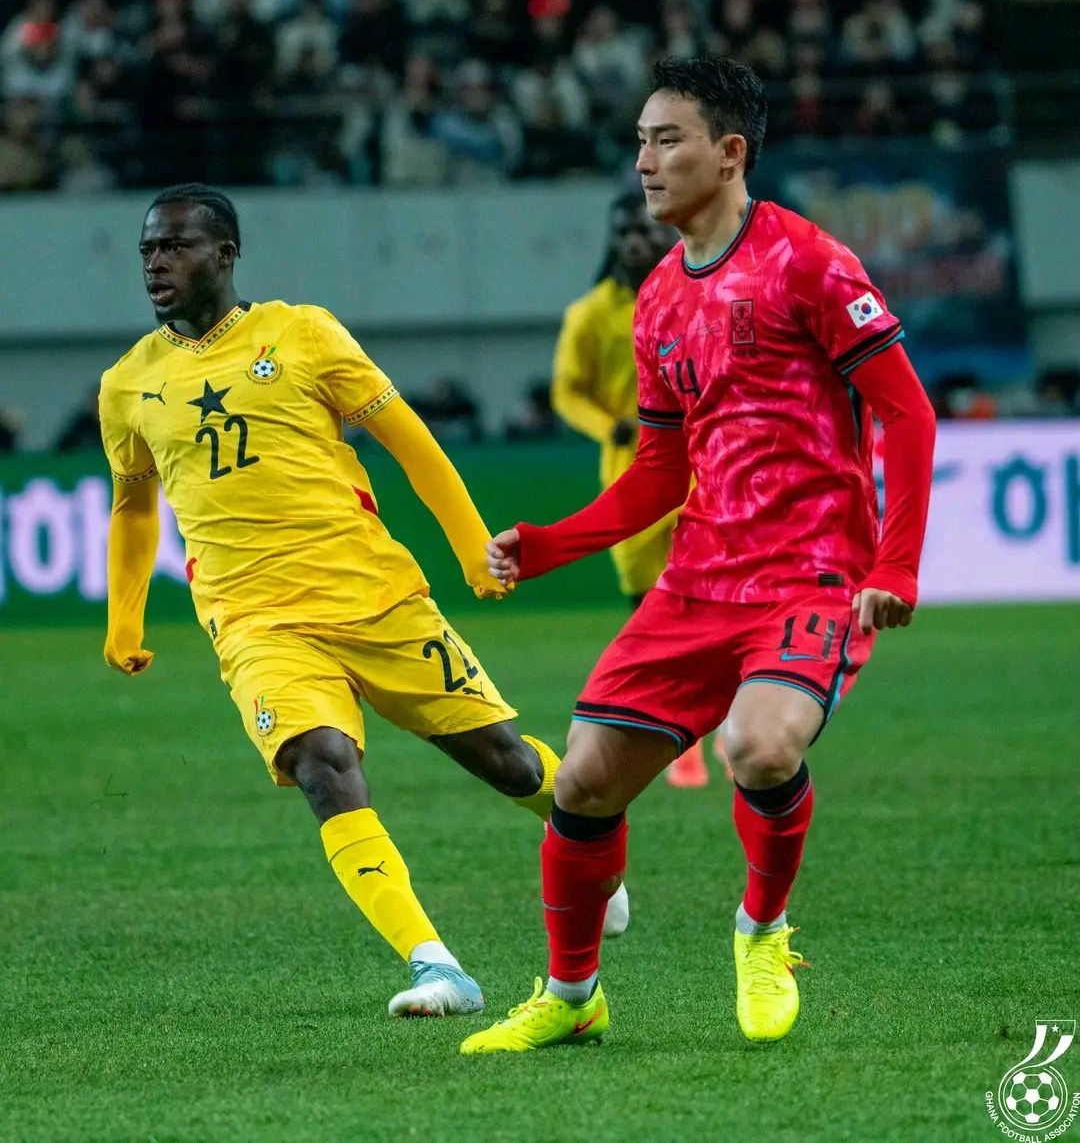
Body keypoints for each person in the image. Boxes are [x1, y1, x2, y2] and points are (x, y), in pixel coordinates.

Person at [461, 56, 936, 1054]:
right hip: (695, 580)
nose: (643, 160)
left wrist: (894, 565)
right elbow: (657, 476)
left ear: (729, 153)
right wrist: (549, 548)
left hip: (808, 574)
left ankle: (762, 931)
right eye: (637, 139)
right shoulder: (659, 304)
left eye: (664, 139)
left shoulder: (810, 262)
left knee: (758, 746)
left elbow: (907, 410)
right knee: (584, 779)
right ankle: (572, 993)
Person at [99, 183, 628, 1021]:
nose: (156, 263)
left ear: (226, 253)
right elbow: (133, 504)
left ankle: (586, 848)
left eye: (174, 246)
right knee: (321, 765)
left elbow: (410, 442)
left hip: (373, 596)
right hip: (255, 621)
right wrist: (123, 617)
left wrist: (470, 546)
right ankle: (437, 966)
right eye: (146, 251)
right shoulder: (127, 384)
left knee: (507, 762)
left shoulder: (303, 333)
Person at [551, 191, 723, 789]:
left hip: (705, 465)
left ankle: (723, 725)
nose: (634, 240)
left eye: (642, 229)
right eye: (622, 229)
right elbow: (567, 393)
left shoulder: (701, 292)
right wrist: (610, 428)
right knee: (650, 609)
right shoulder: (589, 315)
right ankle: (682, 739)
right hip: (632, 471)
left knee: (717, 596)